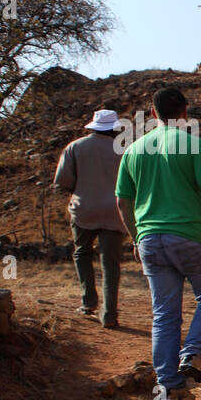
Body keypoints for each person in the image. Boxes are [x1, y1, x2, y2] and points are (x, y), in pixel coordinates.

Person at [115, 87, 201, 398]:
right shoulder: (193, 145)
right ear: (186, 111)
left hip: (149, 240)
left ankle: (168, 389)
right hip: (189, 237)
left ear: (152, 114)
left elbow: (122, 202)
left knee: (164, 313)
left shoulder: (133, 150)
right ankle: (196, 353)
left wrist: (136, 238)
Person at [53, 110, 128, 327]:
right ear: (115, 129)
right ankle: (110, 314)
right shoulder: (122, 150)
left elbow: (63, 181)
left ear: (92, 127)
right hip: (115, 211)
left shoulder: (75, 147)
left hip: (83, 209)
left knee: (82, 253)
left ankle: (88, 302)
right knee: (111, 264)